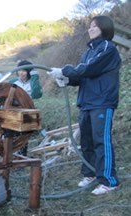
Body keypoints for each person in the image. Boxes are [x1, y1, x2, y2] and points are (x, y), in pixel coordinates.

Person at [48, 15, 121, 195]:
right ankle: (90, 173)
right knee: (86, 141)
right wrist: (67, 79)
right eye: (90, 27)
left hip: (102, 102)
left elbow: (90, 68)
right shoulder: (87, 52)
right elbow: (82, 75)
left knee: (101, 141)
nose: (91, 29)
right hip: (86, 102)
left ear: (104, 28)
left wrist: (65, 70)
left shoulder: (108, 49)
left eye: (95, 26)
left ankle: (109, 181)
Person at [13, 60, 43, 156]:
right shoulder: (14, 82)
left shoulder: (33, 82)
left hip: (28, 112)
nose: (21, 73)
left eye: (25, 71)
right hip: (14, 111)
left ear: (29, 72)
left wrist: (35, 77)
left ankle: (22, 156)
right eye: (20, 70)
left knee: (24, 135)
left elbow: (37, 94)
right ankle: (12, 155)